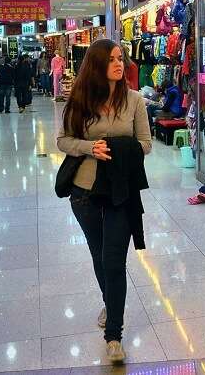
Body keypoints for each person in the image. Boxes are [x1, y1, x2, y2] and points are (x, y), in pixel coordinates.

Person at [57, 39, 151, 363]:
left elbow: (146, 144)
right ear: (97, 65)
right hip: (84, 192)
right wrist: (89, 147)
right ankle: (110, 302)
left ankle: (114, 334)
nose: (119, 64)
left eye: (120, 58)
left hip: (120, 192)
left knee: (114, 261)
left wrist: (119, 147)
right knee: (99, 257)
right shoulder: (80, 101)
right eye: (112, 59)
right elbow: (63, 141)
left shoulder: (136, 101)